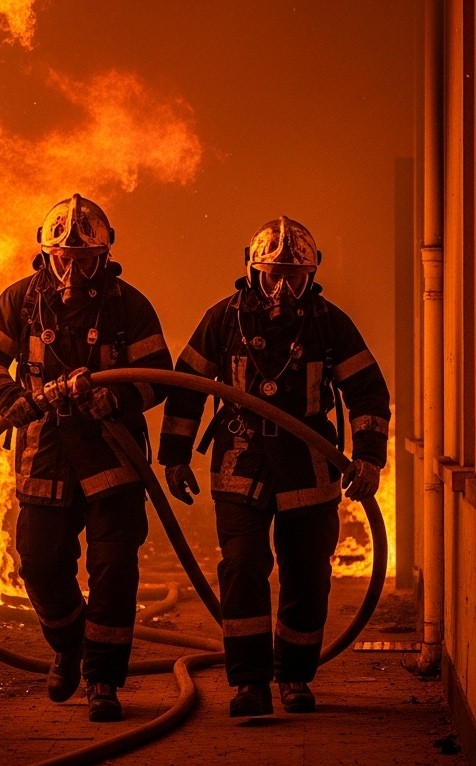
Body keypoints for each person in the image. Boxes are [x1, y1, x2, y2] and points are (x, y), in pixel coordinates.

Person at [159, 216, 391, 718]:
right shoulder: (223, 319)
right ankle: (249, 683)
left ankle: (294, 676)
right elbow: (186, 388)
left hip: (309, 464)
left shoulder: (329, 323)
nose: (283, 288)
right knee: (242, 567)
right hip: (241, 460)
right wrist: (175, 457)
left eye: (295, 276)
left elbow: (367, 392)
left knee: (307, 574)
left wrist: (370, 457)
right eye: (273, 275)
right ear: (252, 270)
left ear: (312, 274)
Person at [0, 193, 173, 722]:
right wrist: (10, 398)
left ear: (105, 254)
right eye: (63, 259)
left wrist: (116, 398)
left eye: (85, 260)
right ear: (46, 253)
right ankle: (69, 644)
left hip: (113, 456)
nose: (73, 271)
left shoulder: (128, 306)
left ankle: (103, 679)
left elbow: (158, 374)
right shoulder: (21, 300)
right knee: (39, 564)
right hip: (46, 454)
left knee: (113, 570)